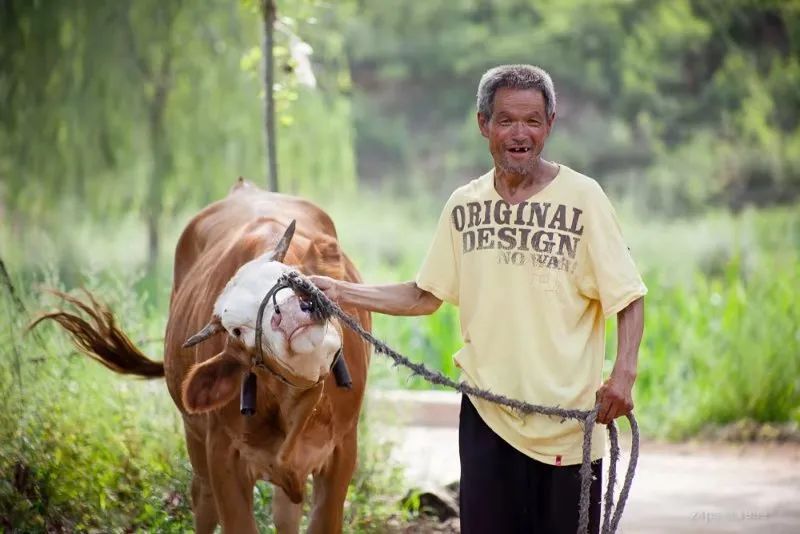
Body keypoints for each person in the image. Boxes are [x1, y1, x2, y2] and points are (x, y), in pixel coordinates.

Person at [310, 64, 646, 534]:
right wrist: (339, 290)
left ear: (550, 124)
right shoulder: (463, 206)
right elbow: (423, 295)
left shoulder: (583, 198)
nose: (520, 133)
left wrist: (624, 374)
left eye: (532, 121)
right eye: (506, 120)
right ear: (483, 124)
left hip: (568, 426)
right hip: (487, 418)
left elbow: (628, 296)